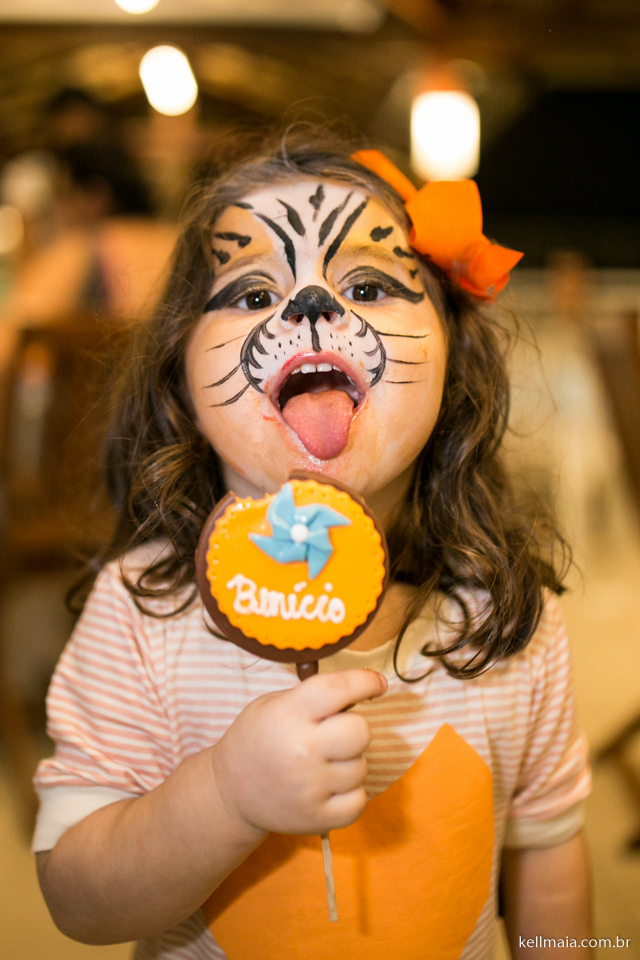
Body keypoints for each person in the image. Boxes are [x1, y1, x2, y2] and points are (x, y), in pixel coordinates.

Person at [32, 132, 592, 960]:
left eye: (367, 282)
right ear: (180, 380)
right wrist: (226, 795)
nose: (311, 308)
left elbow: (549, 852)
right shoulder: (141, 610)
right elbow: (79, 901)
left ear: (455, 356)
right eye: (253, 294)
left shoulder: (509, 613)